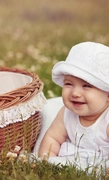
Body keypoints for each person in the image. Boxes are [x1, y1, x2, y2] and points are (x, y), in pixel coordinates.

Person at [38, 41, 109, 171]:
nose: (75, 93)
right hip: (74, 157)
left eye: (87, 86)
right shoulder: (65, 113)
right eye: (69, 84)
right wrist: (46, 161)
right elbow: (52, 138)